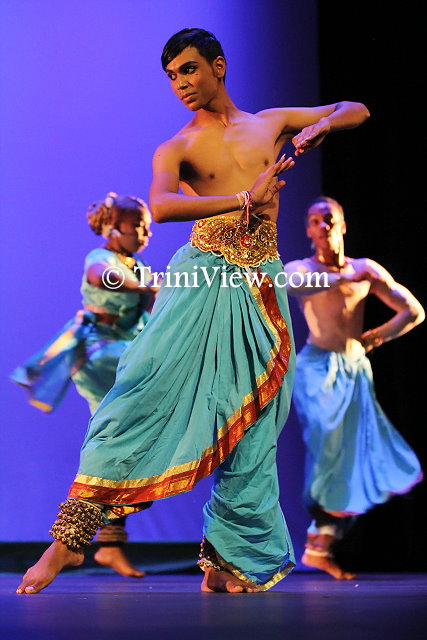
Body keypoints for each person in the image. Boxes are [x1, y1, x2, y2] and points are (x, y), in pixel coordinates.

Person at [17, 28, 369, 595]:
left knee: (258, 419)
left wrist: (318, 127)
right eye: (172, 76)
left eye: (188, 69)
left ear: (218, 66)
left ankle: (227, 561)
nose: (180, 83)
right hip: (203, 279)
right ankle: (70, 540)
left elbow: (356, 108)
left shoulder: (271, 122)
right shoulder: (177, 147)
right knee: (139, 395)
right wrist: (245, 198)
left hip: (262, 283)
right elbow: (161, 205)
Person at [12, 192, 158, 578]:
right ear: (113, 228)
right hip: (99, 353)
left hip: (127, 349)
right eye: (137, 226)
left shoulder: (139, 265)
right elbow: (103, 278)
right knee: (115, 436)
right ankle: (86, 538)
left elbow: (150, 309)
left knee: (123, 442)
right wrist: (145, 288)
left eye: (147, 227)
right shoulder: (101, 258)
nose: (145, 234)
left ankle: (110, 545)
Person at [284, 196, 424, 579]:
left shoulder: (365, 269)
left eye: (329, 219)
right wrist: (343, 279)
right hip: (316, 367)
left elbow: (413, 311)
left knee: (355, 454)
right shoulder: (303, 268)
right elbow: (290, 283)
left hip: (355, 367)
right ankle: (321, 523)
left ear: (342, 225)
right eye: (315, 221)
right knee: (329, 439)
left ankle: (320, 545)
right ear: (308, 230)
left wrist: (377, 336)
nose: (323, 225)